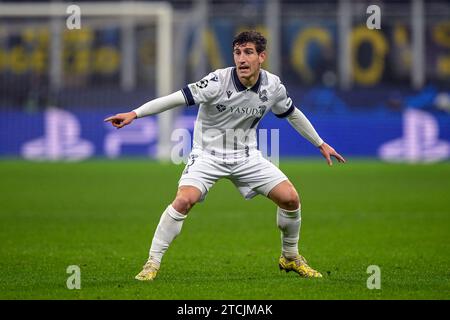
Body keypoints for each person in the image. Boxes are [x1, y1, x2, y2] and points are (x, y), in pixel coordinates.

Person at [104, 31, 345, 281]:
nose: (241, 58)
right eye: (237, 52)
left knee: (290, 199)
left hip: (246, 156)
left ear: (261, 56)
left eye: (248, 52)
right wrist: (135, 113)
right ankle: (151, 263)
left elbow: (292, 113)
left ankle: (290, 257)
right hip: (207, 155)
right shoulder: (217, 82)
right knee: (185, 200)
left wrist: (320, 143)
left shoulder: (272, 86)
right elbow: (175, 99)